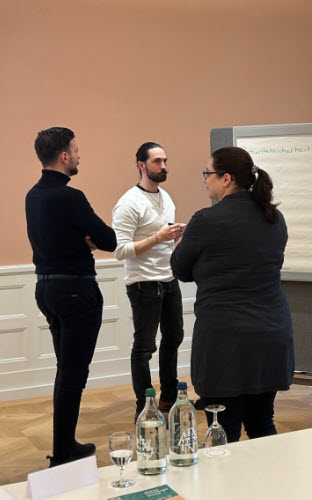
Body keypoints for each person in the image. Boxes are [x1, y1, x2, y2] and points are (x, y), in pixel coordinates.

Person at [170, 146, 294, 442]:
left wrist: (185, 251)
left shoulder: (206, 220)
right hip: (271, 333)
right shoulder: (274, 217)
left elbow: (180, 269)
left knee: (223, 431)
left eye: (208, 173)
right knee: (263, 423)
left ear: (226, 178)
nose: (205, 180)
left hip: (225, 340)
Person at [26, 127, 117, 467]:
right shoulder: (70, 197)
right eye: (76, 151)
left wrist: (82, 238)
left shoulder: (33, 195)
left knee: (66, 370)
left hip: (46, 289)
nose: (79, 156)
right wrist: (87, 240)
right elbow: (108, 239)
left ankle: (64, 446)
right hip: (76, 291)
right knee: (73, 375)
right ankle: (63, 454)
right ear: (64, 156)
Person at [112, 142, 185, 422]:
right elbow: (121, 251)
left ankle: (169, 397)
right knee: (144, 348)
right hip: (143, 283)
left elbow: (164, 242)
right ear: (141, 165)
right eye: (157, 161)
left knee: (174, 338)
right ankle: (144, 407)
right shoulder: (129, 202)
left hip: (169, 279)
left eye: (165, 160)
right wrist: (158, 238)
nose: (163, 166)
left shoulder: (167, 198)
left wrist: (175, 235)